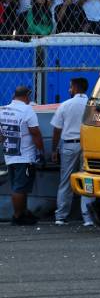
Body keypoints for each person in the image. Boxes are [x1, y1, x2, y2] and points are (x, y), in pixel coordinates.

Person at [51, 77, 94, 225]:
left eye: (70, 87)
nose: (69, 90)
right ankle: (88, 217)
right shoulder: (92, 105)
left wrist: (54, 149)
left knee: (65, 181)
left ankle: (61, 216)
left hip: (69, 146)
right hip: (88, 147)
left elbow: (57, 130)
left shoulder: (65, 105)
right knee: (87, 179)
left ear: (75, 88)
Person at [2, 85, 44, 225]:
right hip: (24, 155)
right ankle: (18, 216)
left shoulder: (3, 110)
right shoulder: (27, 110)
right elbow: (35, 133)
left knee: (19, 186)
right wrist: (41, 152)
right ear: (27, 96)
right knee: (20, 188)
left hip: (10, 154)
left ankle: (23, 212)